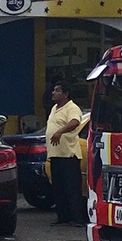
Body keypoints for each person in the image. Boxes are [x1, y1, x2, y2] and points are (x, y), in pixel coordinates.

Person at [45, 81, 85, 226]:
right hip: (55, 154)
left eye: (57, 90)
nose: (53, 93)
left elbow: (74, 122)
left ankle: (77, 218)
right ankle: (63, 216)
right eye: (54, 90)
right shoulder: (54, 108)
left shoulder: (72, 108)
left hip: (68, 155)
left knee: (72, 188)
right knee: (58, 188)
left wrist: (60, 132)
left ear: (66, 94)